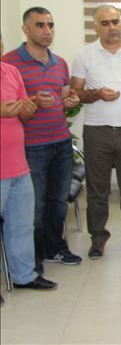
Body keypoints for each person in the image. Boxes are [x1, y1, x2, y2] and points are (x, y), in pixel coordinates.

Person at [3, 7, 82, 273]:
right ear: (25, 29)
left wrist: (70, 101)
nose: (47, 31)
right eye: (40, 25)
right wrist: (32, 102)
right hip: (31, 145)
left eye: (50, 25)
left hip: (61, 141)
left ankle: (55, 247)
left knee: (58, 201)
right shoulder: (10, 63)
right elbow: (10, 106)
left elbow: (65, 99)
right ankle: (33, 256)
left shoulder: (59, 63)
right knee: (34, 206)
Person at [70, 4, 121, 259]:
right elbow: (76, 92)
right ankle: (98, 239)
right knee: (97, 190)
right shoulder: (84, 55)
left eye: (115, 22)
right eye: (105, 23)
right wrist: (97, 94)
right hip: (97, 131)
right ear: (96, 27)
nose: (112, 27)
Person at [1, 32, 58, 296]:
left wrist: (28, 110)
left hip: (18, 165)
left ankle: (23, 275)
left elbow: (24, 115)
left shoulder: (11, 72)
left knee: (22, 225)